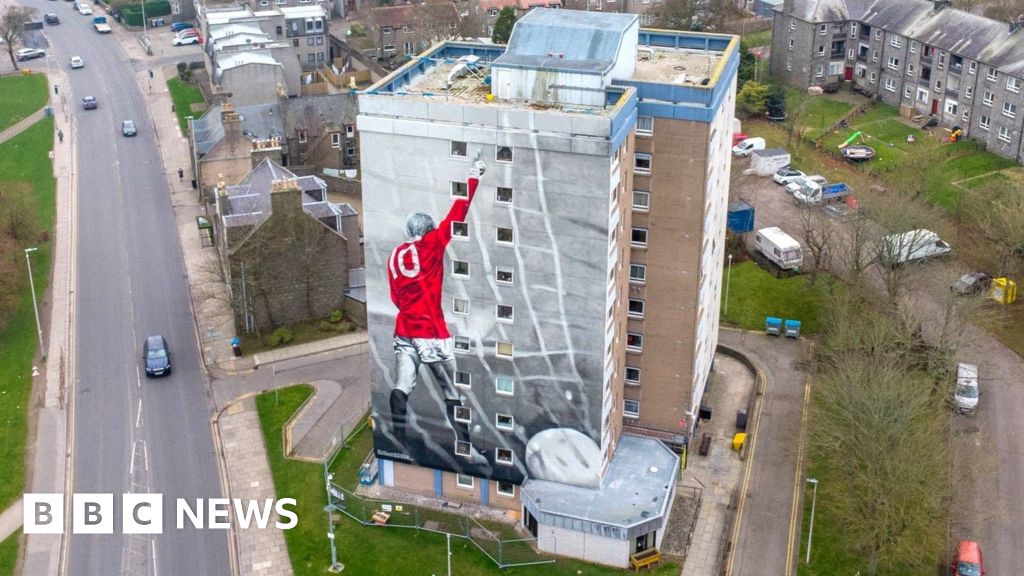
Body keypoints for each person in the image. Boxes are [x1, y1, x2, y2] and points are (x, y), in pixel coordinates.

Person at [387, 159, 487, 466]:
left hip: (404, 330)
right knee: (451, 391)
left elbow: (395, 297)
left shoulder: (395, 254)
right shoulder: (432, 244)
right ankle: (466, 447)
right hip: (430, 332)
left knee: (403, 384)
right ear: (427, 230)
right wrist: (474, 177)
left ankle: (398, 439)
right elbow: (457, 212)